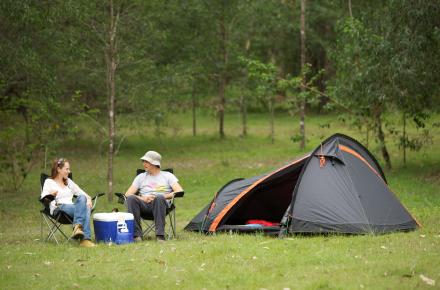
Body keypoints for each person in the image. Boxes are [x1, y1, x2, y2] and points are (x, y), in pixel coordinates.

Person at [123, 150, 183, 242]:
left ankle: (160, 236)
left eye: (147, 162)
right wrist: (143, 198)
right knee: (131, 198)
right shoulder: (140, 177)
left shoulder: (168, 176)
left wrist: (163, 196)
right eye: (143, 161)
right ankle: (137, 236)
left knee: (159, 197)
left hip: (161, 206)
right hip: (143, 206)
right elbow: (127, 194)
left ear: (155, 163)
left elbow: (179, 191)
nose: (144, 164)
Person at [40, 158, 95, 247]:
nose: (69, 172)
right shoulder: (49, 182)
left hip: (73, 208)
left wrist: (88, 199)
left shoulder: (68, 182)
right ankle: (85, 239)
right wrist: (51, 194)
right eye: (67, 169)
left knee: (82, 198)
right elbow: (43, 198)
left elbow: (82, 193)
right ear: (58, 169)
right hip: (59, 209)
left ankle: (77, 227)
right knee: (86, 208)